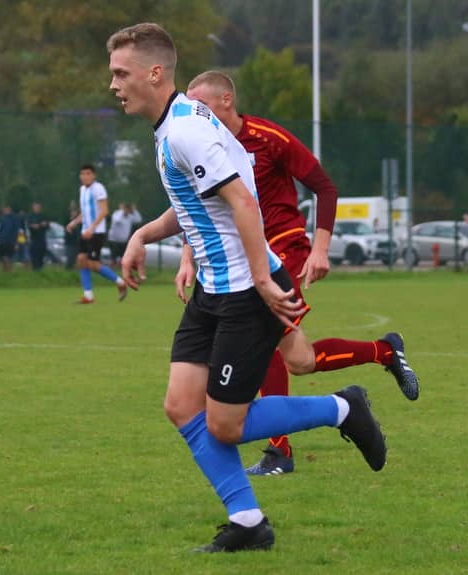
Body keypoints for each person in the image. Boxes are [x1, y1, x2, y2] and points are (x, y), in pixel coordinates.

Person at [109, 22, 387, 553]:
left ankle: (343, 408)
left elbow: (241, 200)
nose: (114, 85)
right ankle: (248, 522)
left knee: (225, 424)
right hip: (215, 290)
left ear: (155, 72)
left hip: (244, 290)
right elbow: (198, 203)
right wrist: (142, 235)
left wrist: (261, 277)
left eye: (122, 73)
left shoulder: (186, 130)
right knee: (182, 406)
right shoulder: (177, 125)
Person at [186, 70, 419, 476]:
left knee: (265, 341)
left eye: (201, 106)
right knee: (300, 360)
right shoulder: (204, 148)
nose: (195, 115)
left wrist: (320, 249)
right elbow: (200, 209)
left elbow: (324, 187)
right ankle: (384, 351)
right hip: (243, 260)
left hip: (283, 249)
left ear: (226, 101)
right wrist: (188, 257)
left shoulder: (268, 138)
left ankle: (280, 452)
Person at [65, 165, 127, 302]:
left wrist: (92, 229)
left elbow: (104, 211)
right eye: (82, 174)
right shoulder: (82, 190)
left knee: (92, 264)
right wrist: (74, 222)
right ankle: (88, 296)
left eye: (88, 173)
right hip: (85, 231)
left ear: (94, 175)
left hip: (96, 232)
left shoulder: (98, 188)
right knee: (81, 260)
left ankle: (121, 282)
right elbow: (85, 212)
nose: (85, 176)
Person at [0, 205, 21, 272]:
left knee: (9, 257)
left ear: (10, 210)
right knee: (3, 257)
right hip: (2, 241)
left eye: (7, 210)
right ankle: (5, 270)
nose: (6, 211)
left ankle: (9, 271)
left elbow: (17, 231)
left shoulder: (14, 219)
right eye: (5, 210)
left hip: (11, 241)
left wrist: (16, 243)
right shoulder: (2, 219)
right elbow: (0, 230)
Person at [27, 201, 50, 271]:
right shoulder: (30, 216)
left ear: (40, 207)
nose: (36, 208)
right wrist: (38, 225)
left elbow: (48, 226)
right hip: (34, 240)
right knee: (34, 256)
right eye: (35, 207)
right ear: (33, 208)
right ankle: (35, 269)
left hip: (42, 239)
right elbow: (30, 226)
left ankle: (40, 269)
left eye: (38, 207)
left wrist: (43, 225)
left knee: (41, 255)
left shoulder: (43, 216)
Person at [64, 206, 79, 270]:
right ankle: (68, 269)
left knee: (75, 257)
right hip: (69, 242)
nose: (74, 213)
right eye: (72, 212)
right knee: (70, 256)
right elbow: (66, 228)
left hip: (76, 241)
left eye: (75, 212)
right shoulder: (67, 220)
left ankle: (73, 269)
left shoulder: (78, 220)